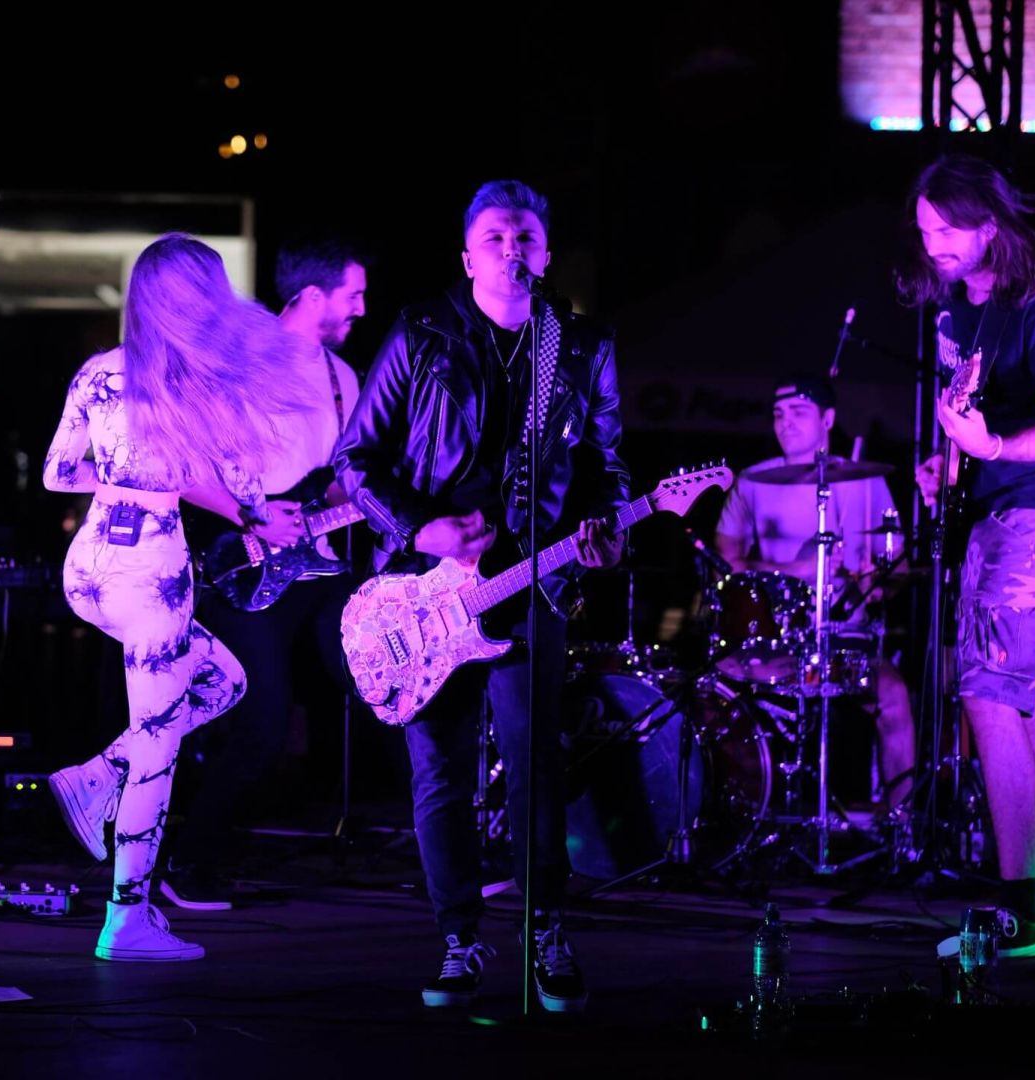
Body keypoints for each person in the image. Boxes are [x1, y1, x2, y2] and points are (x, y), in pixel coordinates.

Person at [335, 180, 627, 1011]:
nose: (512, 250)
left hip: (533, 582)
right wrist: (420, 527)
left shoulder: (579, 346)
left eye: (526, 237)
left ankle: (545, 931)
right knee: (441, 774)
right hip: (426, 590)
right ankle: (459, 937)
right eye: (495, 237)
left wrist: (608, 527)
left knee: (538, 767)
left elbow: (608, 464)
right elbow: (356, 460)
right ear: (467, 256)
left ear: (546, 252)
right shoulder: (421, 332)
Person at [42, 233, 312, 961]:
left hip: (89, 567)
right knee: (158, 749)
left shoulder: (99, 371)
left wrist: (121, 480)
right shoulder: (200, 384)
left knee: (224, 682)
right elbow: (247, 492)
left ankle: (97, 774)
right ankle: (125, 920)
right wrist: (256, 515)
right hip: (152, 571)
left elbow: (58, 474)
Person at [904, 154, 1035, 957]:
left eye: (948, 229)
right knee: (1017, 700)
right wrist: (948, 463)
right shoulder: (958, 307)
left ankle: (1021, 911)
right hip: (996, 509)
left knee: (986, 693)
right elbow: (971, 414)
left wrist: (994, 449)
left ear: (990, 225)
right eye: (924, 231)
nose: (933, 245)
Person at [161, 240, 368, 909]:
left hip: (321, 563)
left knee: (389, 678)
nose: (362, 308)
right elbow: (180, 465)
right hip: (245, 562)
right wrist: (250, 516)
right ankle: (189, 861)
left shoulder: (343, 377)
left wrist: (368, 502)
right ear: (311, 296)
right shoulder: (233, 359)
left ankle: (451, 857)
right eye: (353, 295)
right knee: (264, 722)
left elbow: (340, 478)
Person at [713, 375, 917, 809]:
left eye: (798, 412)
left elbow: (897, 566)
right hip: (774, 640)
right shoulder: (752, 481)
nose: (784, 422)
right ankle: (742, 812)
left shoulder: (865, 481)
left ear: (828, 419)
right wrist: (794, 570)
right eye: (778, 414)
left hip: (845, 639)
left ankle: (900, 825)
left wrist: (877, 585)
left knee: (894, 696)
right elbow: (724, 563)